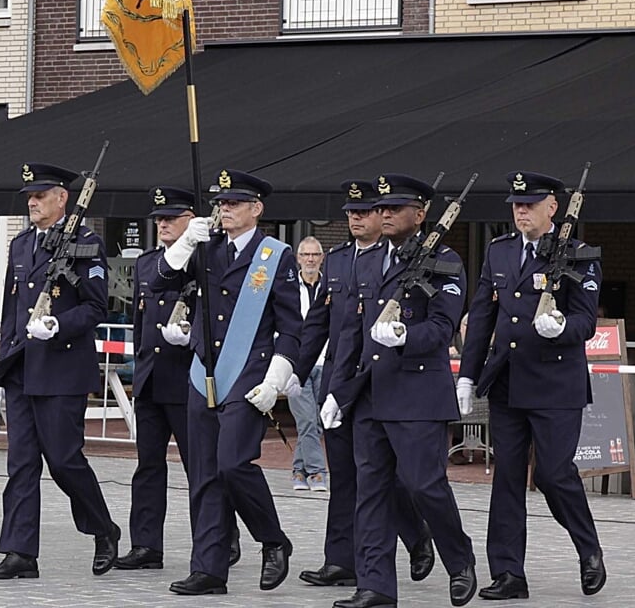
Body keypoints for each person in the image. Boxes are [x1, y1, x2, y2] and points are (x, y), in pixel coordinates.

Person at [324, 174, 477, 608]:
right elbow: (352, 331)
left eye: (395, 208)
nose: (384, 214)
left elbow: (443, 327)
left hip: (417, 394)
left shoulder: (443, 261)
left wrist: (404, 336)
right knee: (371, 490)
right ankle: (375, 585)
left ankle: (459, 558)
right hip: (371, 392)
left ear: (421, 214)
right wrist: (338, 391)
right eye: (382, 208)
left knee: (422, 485)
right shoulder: (368, 262)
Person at [458, 171, 605, 599]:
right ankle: (508, 573)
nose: (520, 211)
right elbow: (483, 316)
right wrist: (469, 373)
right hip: (507, 379)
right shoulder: (499, 252)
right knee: (506, 477)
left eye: (529, 204)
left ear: (552, 208)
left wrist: (560, 325)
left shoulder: (578, 254)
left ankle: (588, 548)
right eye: (516, 205)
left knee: (554, 473)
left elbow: (586, 320)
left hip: (556, 383)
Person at [156, 169, 300, 597]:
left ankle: (272, 539)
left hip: (249, 372)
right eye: (222, 203)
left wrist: (280, 374)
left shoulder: (275, 255)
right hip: (205, 371)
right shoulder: (206, 248)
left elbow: (292, 325)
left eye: (235, 203)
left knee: (232, 464)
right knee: (203, 475)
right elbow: (160, 281)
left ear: (256, 209)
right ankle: (209, 568)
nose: (225, 210)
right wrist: (184, 243)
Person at [0, 162, 119, 581]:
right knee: (21, 463)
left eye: (40, 195)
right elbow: (10, 308)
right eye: (29, 196)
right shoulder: (21, 245)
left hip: (62, 368)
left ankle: (103, 528)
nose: (33, 203)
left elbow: (96, 307)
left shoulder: (85, 244)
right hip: (23, 368)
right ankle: (19, 551)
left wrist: (58, 325)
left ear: (63, 198)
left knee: (63, 460)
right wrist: (5, 363)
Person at [296, 181, 434, 590]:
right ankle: (341, 559)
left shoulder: (397, 263)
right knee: (344, 475)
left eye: (365, 211)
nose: (356, 217)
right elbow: (320, 324)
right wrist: (293, 372)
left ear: (383, 216)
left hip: (376, 381)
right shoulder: (337, 260)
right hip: (339, 382)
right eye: (351, 211)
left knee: (383, 477)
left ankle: (416, 534)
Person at [115, 186, 248, 572]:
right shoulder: (148, 263)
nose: (162, 225)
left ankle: (221, 538)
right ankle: (145, 544)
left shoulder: (205, 259)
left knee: (201, 468)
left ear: (192, 219)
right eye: (158, 219)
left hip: (188, 377)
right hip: (153, 378)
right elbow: (143, 322)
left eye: (171, 218)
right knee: (148, 466)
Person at [289, 236, 329, 492]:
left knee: (319, 421)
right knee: (306, 421)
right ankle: (317, 472)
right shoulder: (289, 287)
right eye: (306, 255)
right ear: (298, 258)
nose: (310, 259)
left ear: (321, 258)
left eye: (315, 255)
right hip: (295, 364)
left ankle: (298, 469)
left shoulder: (331, 286)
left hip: (326, 361)